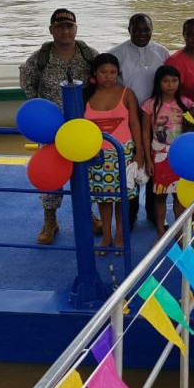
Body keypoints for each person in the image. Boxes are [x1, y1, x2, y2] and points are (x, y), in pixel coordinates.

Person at [19, 8, 98, 245]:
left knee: (87, 172)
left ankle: (88, 214)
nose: (65, 31)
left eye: (69, 26)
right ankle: (50, 220)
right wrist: (40, 109)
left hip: (81, 126)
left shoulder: (88, 55)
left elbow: (102, 78)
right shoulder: (40, 58)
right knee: (50, 172)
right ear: (51, 30)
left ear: (75, 29)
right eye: (60, 26)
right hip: (50, 128)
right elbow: (27, 80)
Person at [109, 13, 170, 227]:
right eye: (137, 29)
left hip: (157, 120)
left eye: (147, 29)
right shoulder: (116, 54)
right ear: (129, 29)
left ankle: (154, 214)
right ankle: (130, 216)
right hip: (127, 120)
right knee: (130, 166)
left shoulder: (162, 52)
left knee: (156, 165)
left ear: (152, 30)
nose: (142, 33)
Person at [83, 54, 143, 255]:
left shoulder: (127, 93)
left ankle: (120, 237)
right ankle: (106, 237)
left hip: (123, 154)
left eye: (112, 72)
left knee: (122, 198)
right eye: (103, 72)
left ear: (118, 73)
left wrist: (139, 153)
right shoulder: (86, 95)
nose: (108, 76)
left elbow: (135, 124)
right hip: (96, 155)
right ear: (95, 73)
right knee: (103, 198)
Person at [140, 65, 194, 240]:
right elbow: (145, 134)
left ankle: (179, 230)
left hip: (181, 157)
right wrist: (148, 160)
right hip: (159, 156)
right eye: (166, 81)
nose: (170, 85)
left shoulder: (186, 104)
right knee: (160, 196)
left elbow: (193, 131)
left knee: (180, 195)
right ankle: (161, 230)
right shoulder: (149, 105)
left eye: (174, 80)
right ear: (158, 83)